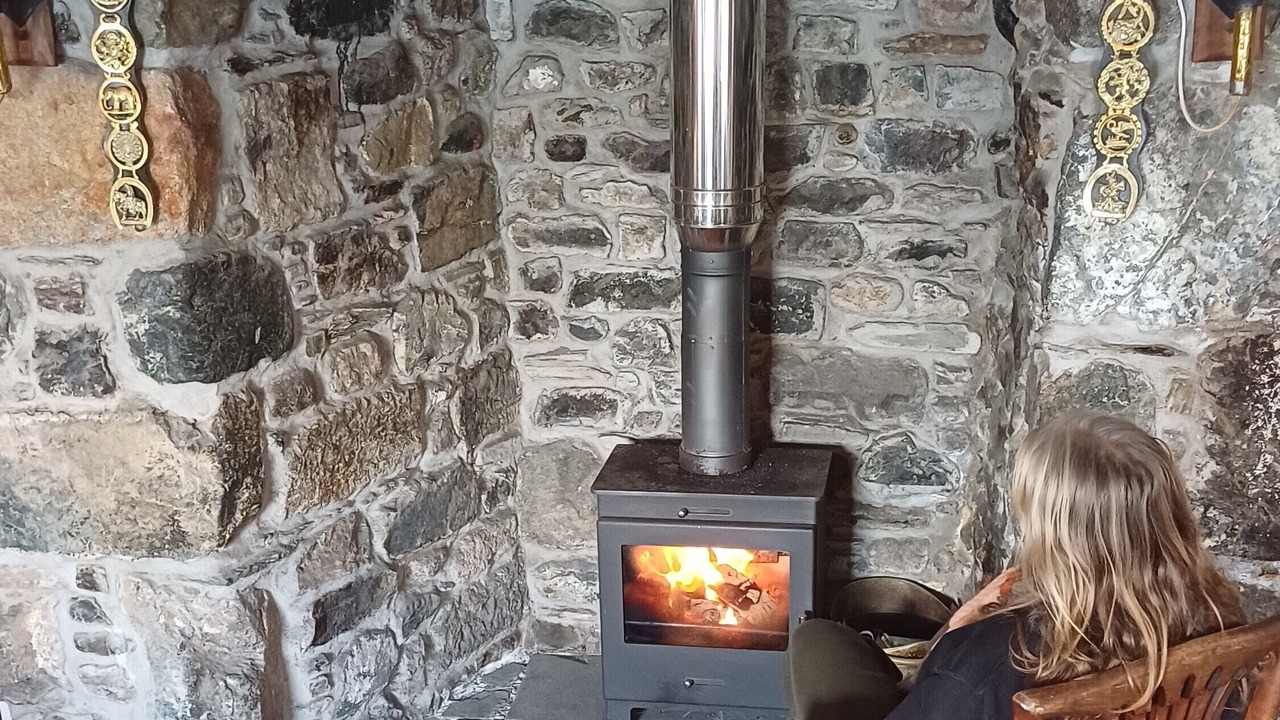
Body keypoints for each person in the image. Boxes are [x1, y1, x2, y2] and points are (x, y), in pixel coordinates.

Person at [789, 410, 1245, 720]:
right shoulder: (1218, 621)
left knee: (817, 645)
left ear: (1050, 530)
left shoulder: (988, 657)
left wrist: (946, 645)